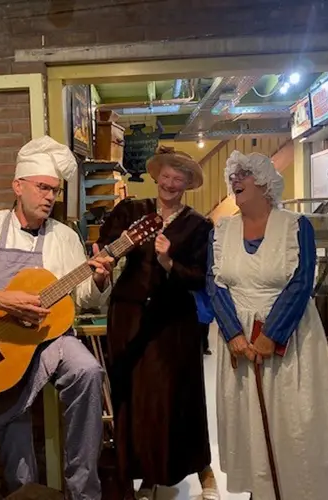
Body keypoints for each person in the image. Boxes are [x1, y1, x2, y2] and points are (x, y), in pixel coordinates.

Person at [0, 136, 115, 500]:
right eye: (42, 187)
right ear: (18, 186)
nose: (49, 197)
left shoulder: (64, 237)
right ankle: (24, 491)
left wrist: (98, 279)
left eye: (54, 191)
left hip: (52, 340)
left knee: (88, 371)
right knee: (11, 420)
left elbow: (84, 300)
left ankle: (83, 491)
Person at [206, 151, 328, 500]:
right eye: (234, 174)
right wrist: (234, 335)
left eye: (244, 174)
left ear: (264, 184)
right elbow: (213, 285)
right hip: (239, 344)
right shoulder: (222, 230)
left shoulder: (295, 225)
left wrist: (270, 336)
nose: (235, 179)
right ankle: (263, 492)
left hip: (290, 340)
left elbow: (303, 281)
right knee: (251, 423)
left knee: (295, 421)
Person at [97, 146, 218, 500]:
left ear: (186, 185)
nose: (170, 183)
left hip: (173, 323)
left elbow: (200, 278)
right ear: (156, 176)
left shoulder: (198, 225)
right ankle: (141, 475)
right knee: (131, 398)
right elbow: (104, 250)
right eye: (165, 175)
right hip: (128, 317)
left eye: (178, 178)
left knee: (174, 397)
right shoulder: (131, 211)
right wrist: (104, 260)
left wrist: (168, 263)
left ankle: (190, 470)